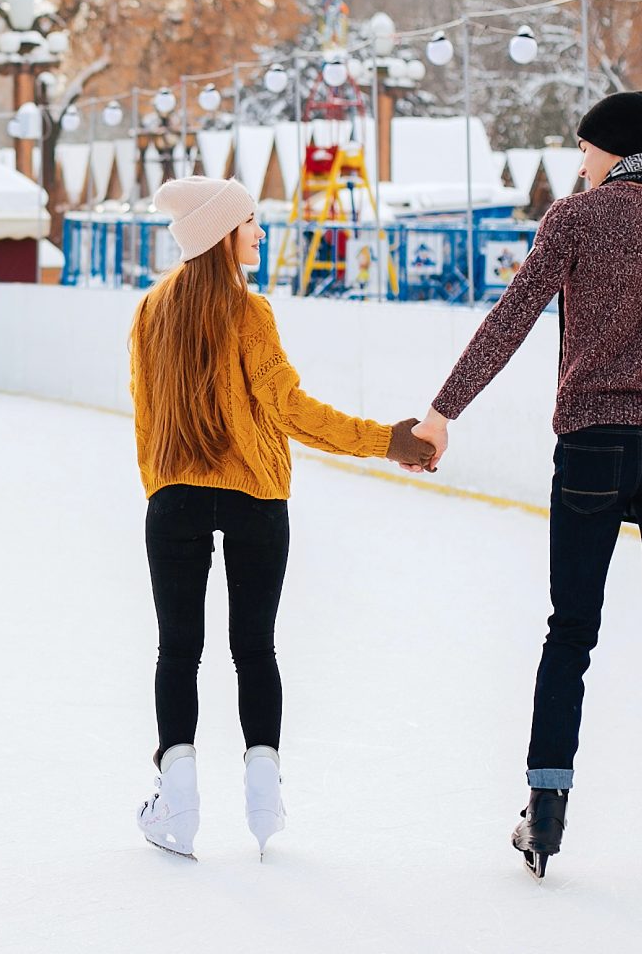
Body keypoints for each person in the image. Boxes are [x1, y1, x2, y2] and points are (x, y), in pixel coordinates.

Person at [407, 91, 642, 878]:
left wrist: (442, 409)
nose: (580, 165)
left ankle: (547, 810)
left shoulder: (574, 218)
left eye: (585, 151)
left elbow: (510, 317)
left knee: (571, 631)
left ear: (611, 150)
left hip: (592, 447)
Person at [129, 176, 433, 860]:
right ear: (220, 236)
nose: (260, 233)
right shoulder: (250, 313)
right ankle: (263, 790)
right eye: (249, 223)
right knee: (254, 648)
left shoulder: (149, 312)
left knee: (178, 651)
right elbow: (291, 410)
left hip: (173, 497)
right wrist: (385, 439)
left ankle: (177, 801)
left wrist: (165, 489)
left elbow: (146, 423)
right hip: (257, 499)